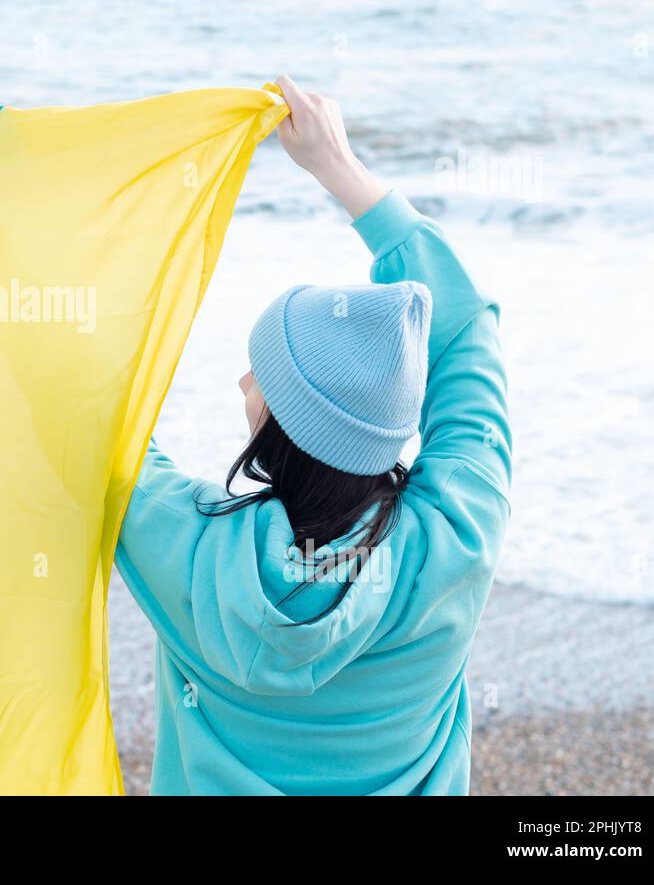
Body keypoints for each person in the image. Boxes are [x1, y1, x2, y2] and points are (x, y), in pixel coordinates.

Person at [115, 75, 512, 795]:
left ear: (287, 427)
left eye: (261, 375)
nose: (243, 383)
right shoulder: (456, 539)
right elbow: (467, 334)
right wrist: (343, 170)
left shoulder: (191, 550)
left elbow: (97, 429)